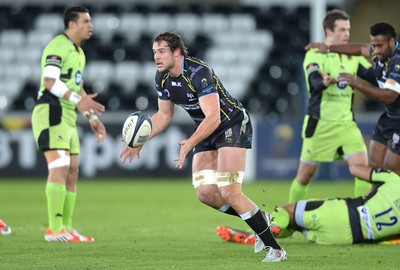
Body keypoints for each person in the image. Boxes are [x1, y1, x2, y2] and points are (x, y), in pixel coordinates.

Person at [119, 31, 286, 263]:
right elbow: (164, 116)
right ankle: (260, 218)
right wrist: (140, 140)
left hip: (231, 124)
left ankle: (275, 249)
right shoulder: (161, 78)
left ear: (177, 52)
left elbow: (214, 117)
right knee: (206, 193)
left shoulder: (199, 73)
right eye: (154, 52)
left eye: (162, 51)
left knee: (229, 191)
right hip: (207, 129)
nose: (156, 57)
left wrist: (190, 143)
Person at [31, 6, 106, 242]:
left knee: (72, 171)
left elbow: (77, 87)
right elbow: (50, 82)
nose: (90, 25)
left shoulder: (79, 52)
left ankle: (67, 227)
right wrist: (78, 101)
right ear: (71, 24)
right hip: (51, 111)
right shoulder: (58, 45)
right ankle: (53, 229)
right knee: (60, 167)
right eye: (85, 21)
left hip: (68, 115)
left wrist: (92, 118)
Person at [289, 9, 378, 205]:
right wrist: (325, 82)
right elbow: (313, 82)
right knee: (304, 177)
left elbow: (376, 78)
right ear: (329, 32)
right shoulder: (315, 53)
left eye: (348, 29)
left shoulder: (353, 57)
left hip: (347, 125)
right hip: (320, 124)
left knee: (363, 171)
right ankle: (291, 219)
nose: (347, 34)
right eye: (342, 29)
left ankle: (363, 219)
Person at [217, 164, 400, 245]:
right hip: (343, 239)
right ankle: (273, 231)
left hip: (340, 213)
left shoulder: (393, 180)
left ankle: (262, 232)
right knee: (297, 226)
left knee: (286, 212)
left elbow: (355, 169)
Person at [305, 22, 400, 177]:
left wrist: (356, 83)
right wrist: (328, 49)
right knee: (374, 164)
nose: (375, 50)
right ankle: (374, 197)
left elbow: (389, 96)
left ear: (392, 42)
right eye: (373, 45)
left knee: (391, 171)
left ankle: (391, 199)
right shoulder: (379, 51)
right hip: (390, 115)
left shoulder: (397, 61)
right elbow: (360, 49)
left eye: (379, 46)